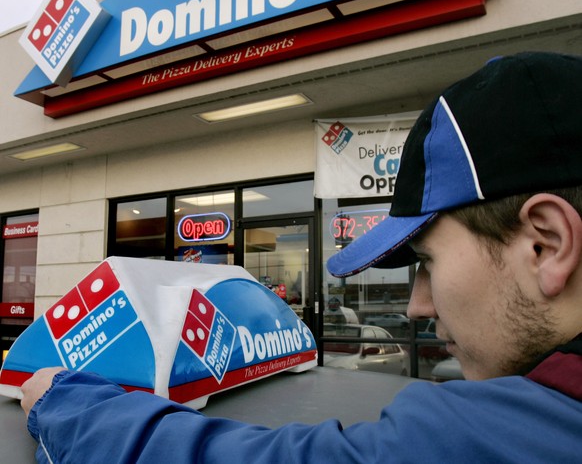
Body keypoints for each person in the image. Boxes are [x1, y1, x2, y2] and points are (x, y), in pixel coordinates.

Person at [21, 52, 582, 463]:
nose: (416, 307)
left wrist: (68, 405)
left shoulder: (509, 434)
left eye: (427, 263)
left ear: (545, 243)